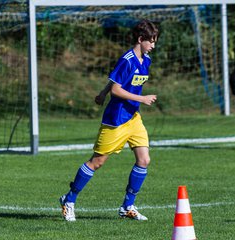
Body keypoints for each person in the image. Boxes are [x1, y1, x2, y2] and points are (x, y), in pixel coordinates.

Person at [59, 19, 159, 221]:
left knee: (144, 160)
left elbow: (114, 83)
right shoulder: (127, 60)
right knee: (97, 162)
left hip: (133, 117)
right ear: (141, 39)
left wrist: (102, 93)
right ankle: (68, 200)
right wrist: (140, 98)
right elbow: (117, 88)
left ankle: (127, 206)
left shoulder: (146, 60)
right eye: (151, 41)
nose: (153, 46)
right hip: (116, 119)